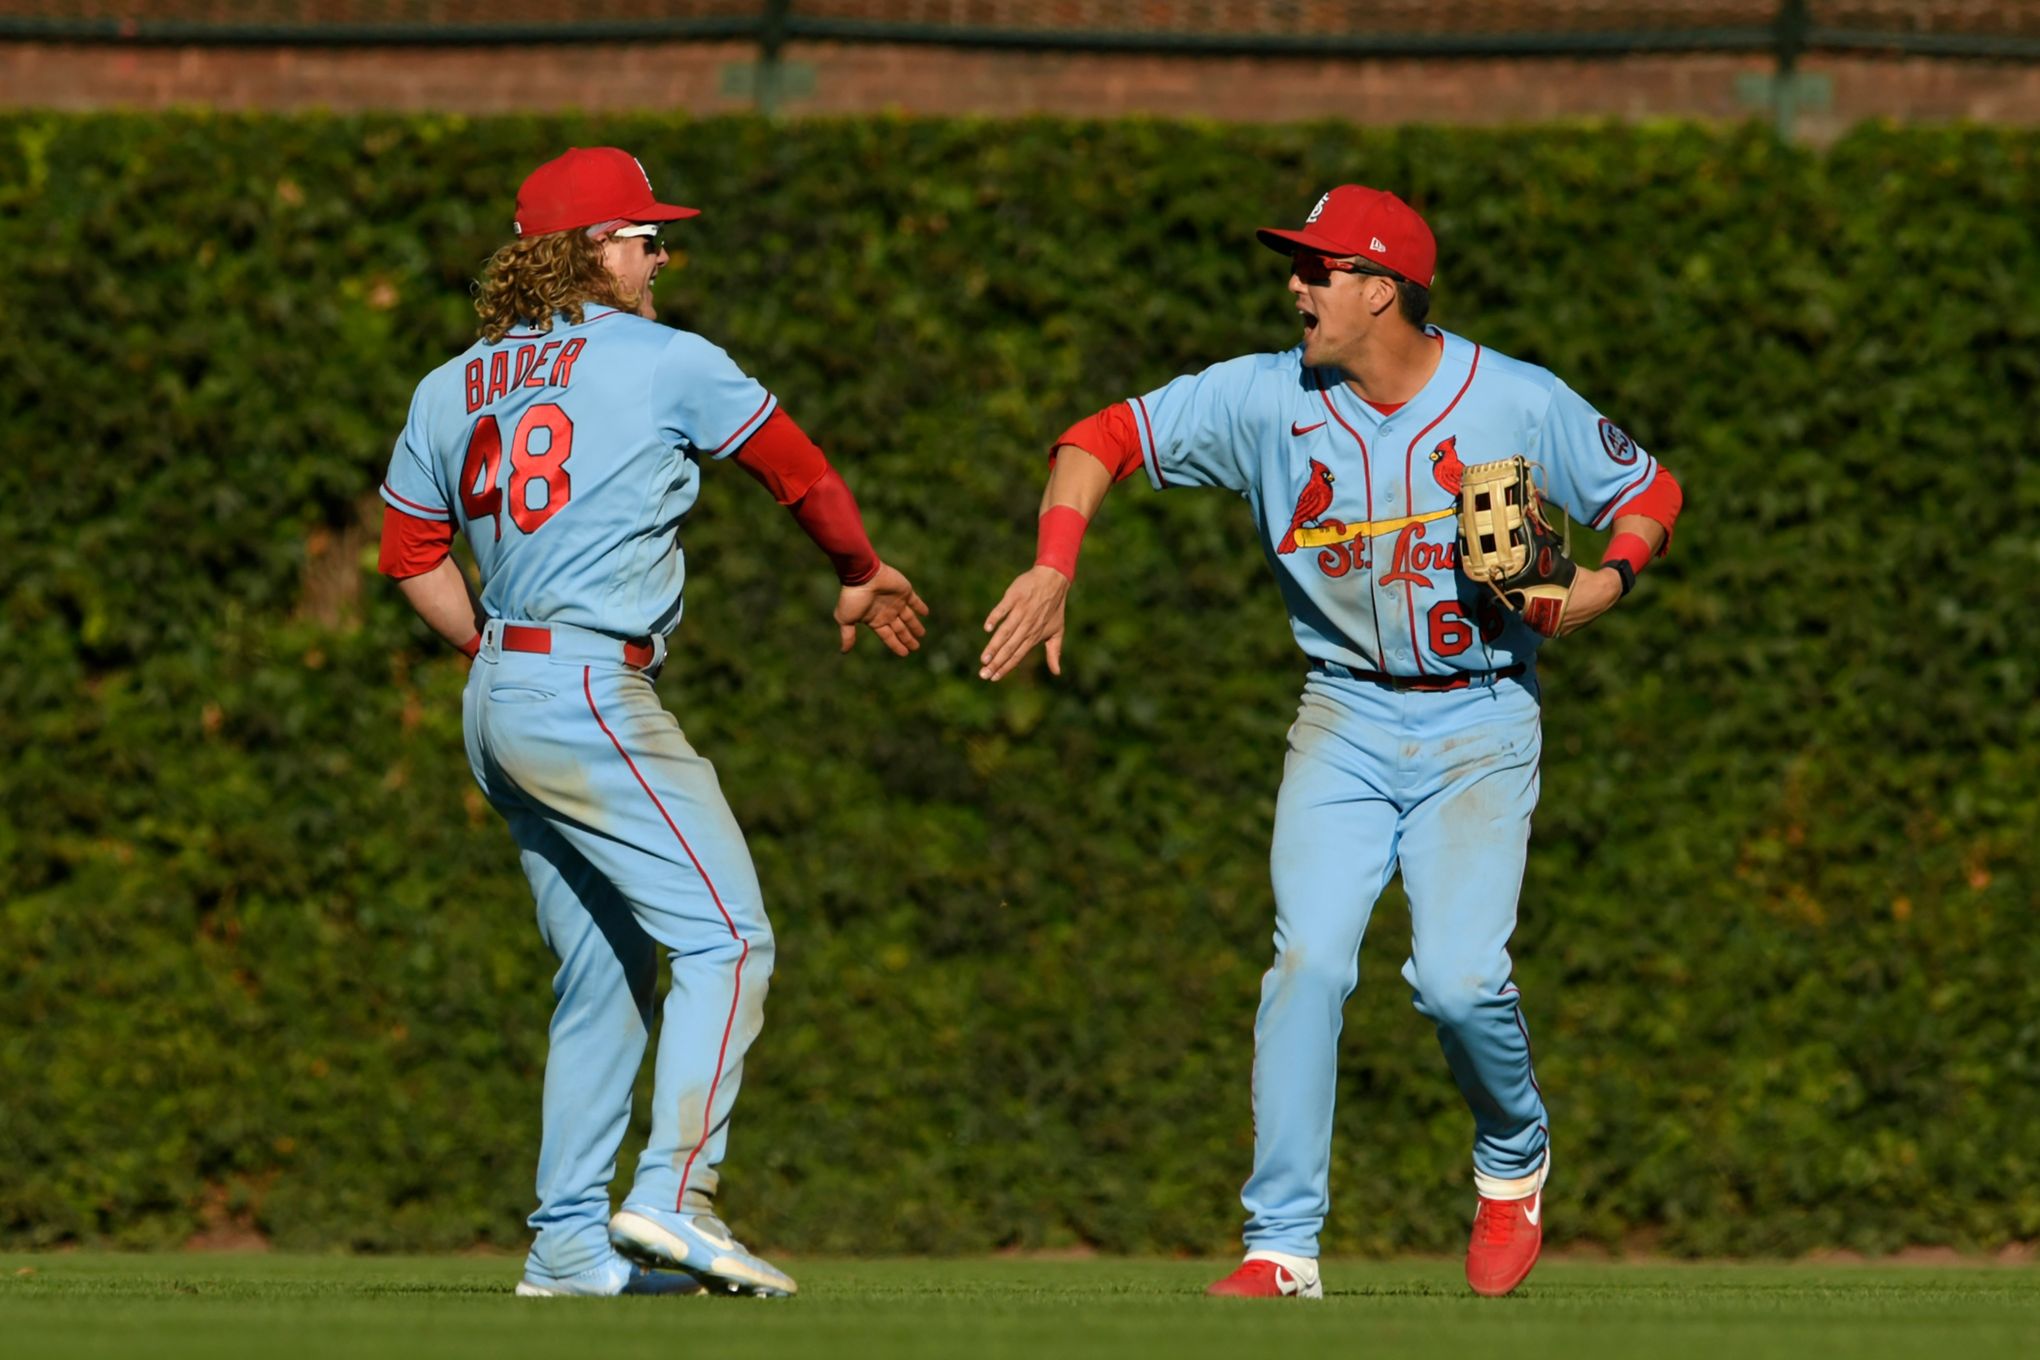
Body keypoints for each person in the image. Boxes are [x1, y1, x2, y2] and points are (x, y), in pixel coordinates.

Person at [980, 185, 1683, 1299]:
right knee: (1306, 964)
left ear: (1383, 289)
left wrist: (1602, 583)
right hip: (1344, 712)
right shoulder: (1266, 397)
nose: (1295, 284)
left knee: (1457, 982)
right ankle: (1282, 1246)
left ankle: (1513, 1154)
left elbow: (1648, 489)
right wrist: (1055, 561)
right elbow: (1099, 437)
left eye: (1319, 267)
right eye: (1298, 265)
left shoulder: (1513, 399)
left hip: (1481, 713)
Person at [377, 146, 928, 1298]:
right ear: (586, 249)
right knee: (729, 940)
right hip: (585, 683)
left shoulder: (449, 383)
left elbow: (408, 558)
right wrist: (862, 568)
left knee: (604, 970)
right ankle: (677, 1193)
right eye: (640, 235)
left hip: (500, 698)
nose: (658, 253)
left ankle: (569, 1246)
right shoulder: (669, 359)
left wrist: (499, 659)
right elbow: (799, 472)